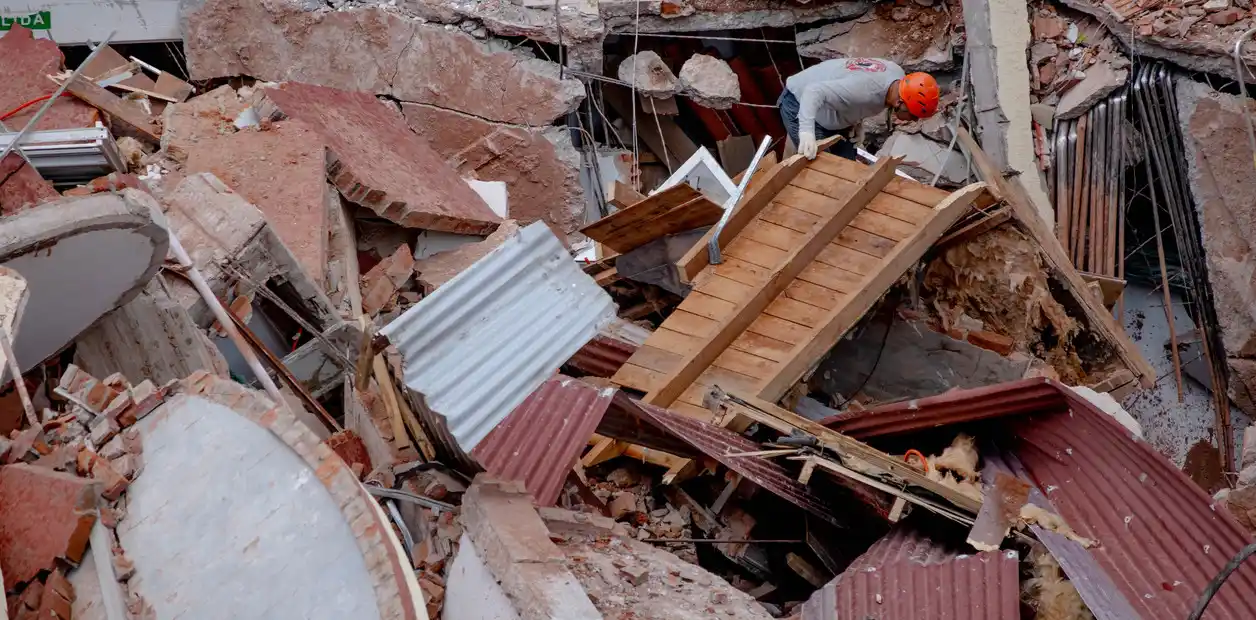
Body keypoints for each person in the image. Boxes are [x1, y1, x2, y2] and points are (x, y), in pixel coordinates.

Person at [778, 57, 940, 161]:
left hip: (828, 110)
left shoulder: (896, 76)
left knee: (847, 165)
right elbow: (813, 92)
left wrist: (855, 121)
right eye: (913, 115)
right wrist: (806, 132)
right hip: (800, 102)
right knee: (822, 166)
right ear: (900, 102)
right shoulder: (866, 91)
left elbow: (853, 79)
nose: (913, 120)